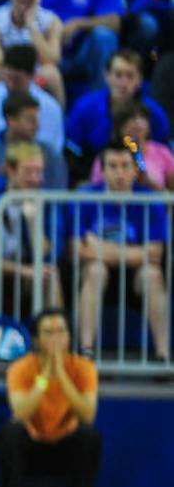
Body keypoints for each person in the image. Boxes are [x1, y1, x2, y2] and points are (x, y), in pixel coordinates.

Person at [1, 309, 101, 487]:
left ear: (69, 337)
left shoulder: (84, 368)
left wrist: (62, 374)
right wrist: (46, 375)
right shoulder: (20, 368)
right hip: (33, 446)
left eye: (61, 332)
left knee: (90, 436)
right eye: (48, 333)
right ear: (36, 339)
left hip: (65, 446)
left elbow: (88, 414)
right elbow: (20, 413)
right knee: (10, 433)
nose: (56, 339)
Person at [73, 144, 170, 361]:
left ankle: (163, 353)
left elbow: (155, 254)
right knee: (96, 271)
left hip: (136, 274)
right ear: (103, 170)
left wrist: (99, 247)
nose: (119, 173)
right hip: (98, 271)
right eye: (113, 166)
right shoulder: (86, 197)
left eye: (126, 166)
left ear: (135, 170)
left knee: (153, 274)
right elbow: (78, 250)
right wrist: (137, 252)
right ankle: (86, 351)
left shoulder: (150, 200)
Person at [0, 141, 64, 316]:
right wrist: (22, 271)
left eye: (39, 171)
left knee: (50, 276)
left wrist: (33, 224)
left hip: (27, 273)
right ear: (10, 170)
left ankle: (56, 340)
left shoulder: (46, 201)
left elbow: (51, 255)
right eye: (28, 171)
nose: (35, 179)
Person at [65, 50, 172, 162]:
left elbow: (163, 156)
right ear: (106, 75)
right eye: (118, 75)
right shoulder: (84, 108)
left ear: (140, 80)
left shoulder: (155, 114)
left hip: (143, 171)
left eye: (130, 76)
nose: (123, 83)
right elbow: (72, 152)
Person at [0, 90, 70, 190]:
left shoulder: (50, 154)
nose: (37, 126)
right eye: (30, 120)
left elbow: (58, 198)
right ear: (10, 120)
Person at [89, 102, 174, 189]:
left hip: (154, 201)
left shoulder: (163, 152)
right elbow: (96, 191)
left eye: (141, 118)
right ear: (119, 128)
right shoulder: (107, 154)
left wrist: (151, 184)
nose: (136, 123)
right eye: (129, 120)